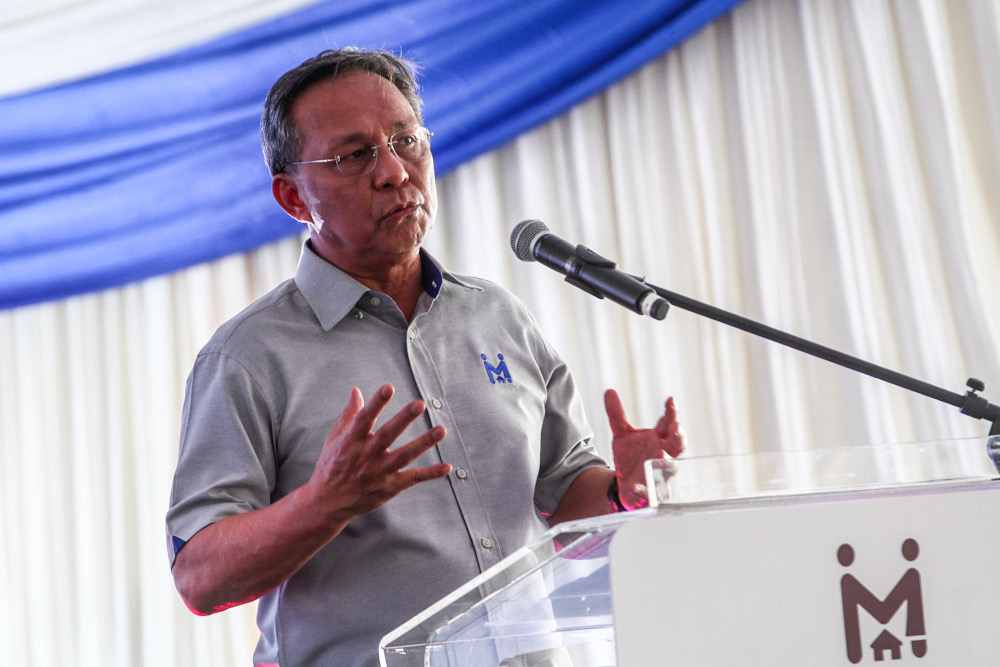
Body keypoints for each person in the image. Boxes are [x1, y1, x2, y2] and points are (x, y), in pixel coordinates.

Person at [166, 47, 685, 666]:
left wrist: (625, 493)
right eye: (355, 155)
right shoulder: (248, 356)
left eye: (407, 140)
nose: (393, 172)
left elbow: (564, 495)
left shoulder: (498, 317)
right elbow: (199, 577)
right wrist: (326, 501)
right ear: (293, 198)